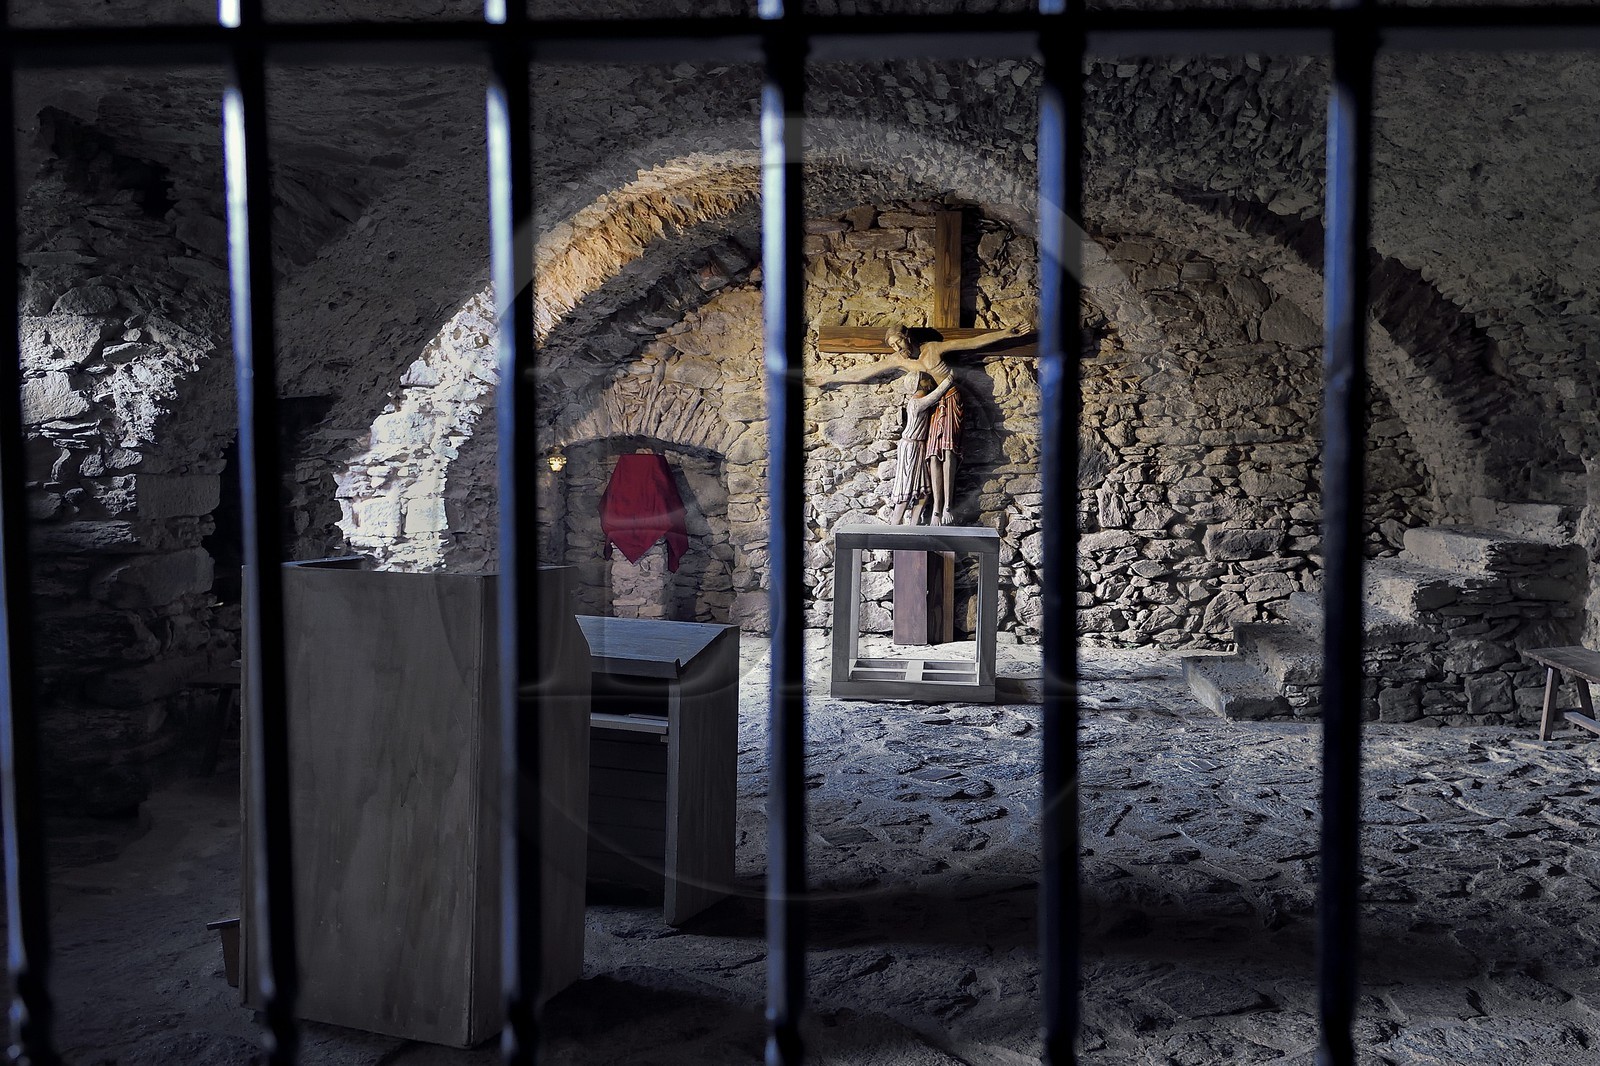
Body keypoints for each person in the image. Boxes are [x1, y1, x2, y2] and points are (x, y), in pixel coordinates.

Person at [819, 321, 1027, 524]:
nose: (897, 348)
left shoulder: (933, 348)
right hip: (930, 406)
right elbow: (864, 372)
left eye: (899, 342)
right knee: (932, 455)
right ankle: (936, 508)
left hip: (950, 400)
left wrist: (1004, 333)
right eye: (892, 345)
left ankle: (947, 506)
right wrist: (828, 378)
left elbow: (971, 343)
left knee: (948, 451)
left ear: (908, 337)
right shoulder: (899, 360)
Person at [889, 373, 952, 524]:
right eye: (925, 379)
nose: (929, 381)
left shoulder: (918, 401)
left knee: (924, 491)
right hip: (911, 448)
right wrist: (949, 379)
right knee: (906, 488)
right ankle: (894, 525)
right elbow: (936, 395)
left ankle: (914, 525)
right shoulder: (916, 403)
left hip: (918, 446)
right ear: (918, 384)